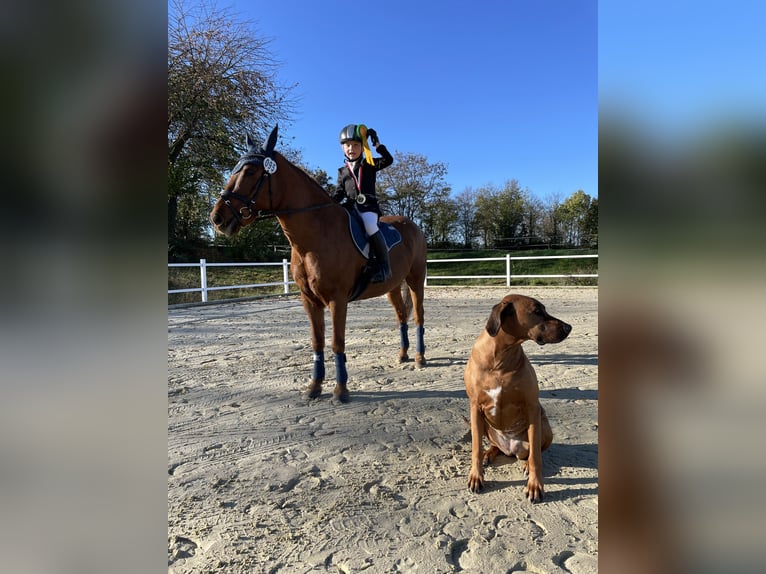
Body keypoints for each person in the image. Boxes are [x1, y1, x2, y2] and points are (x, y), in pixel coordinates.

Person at [333, 123, 394, 282]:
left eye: (355, 145)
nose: (351, 148)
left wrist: (377, 144)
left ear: (362, 146)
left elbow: (389, 160)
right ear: (342, 148)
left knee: (370, 226)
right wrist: (330, 203)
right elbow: (339, 193)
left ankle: (384, 267)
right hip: (350, 207)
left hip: (368, 207)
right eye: (347, 145)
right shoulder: (342, 171)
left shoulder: (370, 163)